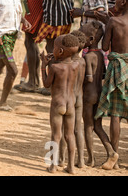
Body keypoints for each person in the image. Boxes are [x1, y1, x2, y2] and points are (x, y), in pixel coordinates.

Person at [34, 0, 85, 95]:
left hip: (53, 16)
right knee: (64, 49)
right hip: (67, 14)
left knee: (53, 49)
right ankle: (63, 84)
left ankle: (52, 84)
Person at [94, 0, 128, 169]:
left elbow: (105, 47)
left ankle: (113, 157)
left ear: (123, 1)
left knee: (116, 115)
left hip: (117, 70)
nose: (114, 2)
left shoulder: (114, 22)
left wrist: (107, 23)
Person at [79, 21, 118, 168]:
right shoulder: (101, 55)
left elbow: (88, 78)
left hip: (89, 96)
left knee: (88, 127)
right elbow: (102, 75)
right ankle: (111, 152)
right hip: (99, 93)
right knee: (97, 126)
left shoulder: (87, 57)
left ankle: (90, 159)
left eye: (82, 37)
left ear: (90, 40)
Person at [40, 34, 80, 174]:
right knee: (70, 136)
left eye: (55, 48)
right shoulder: (76, 65)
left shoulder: (55, 67)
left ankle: (53, 166)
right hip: (71, 104)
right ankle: (71, 167)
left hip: (58, 104)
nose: (53, 50)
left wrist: (43, 66)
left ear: (61, 51)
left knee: (55, 135)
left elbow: (46, 84)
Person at [14, 0, 45, 93]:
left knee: (30, 42)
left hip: (34, 2)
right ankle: (34, 80)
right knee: (32, 43)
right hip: (35, 1)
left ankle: (33, 81)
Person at [57, 30, 86, 168]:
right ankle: (80, 161)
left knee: (64, 131)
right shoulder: (82, 62)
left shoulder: (66, 64)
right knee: (78, 130)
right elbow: (88, 80)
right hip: (80, 98)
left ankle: (61, 159)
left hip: (68, 99)